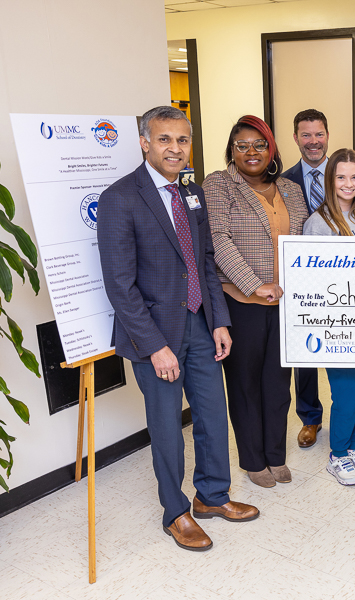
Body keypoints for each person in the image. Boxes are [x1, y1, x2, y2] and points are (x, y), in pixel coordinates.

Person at [97, 106, 259, 552]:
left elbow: (203, 261)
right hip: (155, 335)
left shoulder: (192, 194)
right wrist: (154, 347)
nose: (175, 148)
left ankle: (212, 497)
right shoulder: (119, 198)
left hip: (201, 325)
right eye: (165, 139)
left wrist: (220, 321)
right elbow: (120, 286)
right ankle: (177, 512)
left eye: (183, 140)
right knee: (167, 427)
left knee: (211, 415)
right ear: (145, 143)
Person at [204, 115, 308, 489]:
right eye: (242, 145)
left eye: (259, 144)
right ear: (231, 150)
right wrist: (255, 285)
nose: (251, 152)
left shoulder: (290, 189)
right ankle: (252, 459)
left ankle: (275, 455)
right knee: (245, 384)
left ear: (271, 149)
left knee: (278, 383)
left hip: (286, 304)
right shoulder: (218, 185)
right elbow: (218, 240)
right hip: (241, 303)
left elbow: (303, 242)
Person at [303, 148, 355, 486]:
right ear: (330, 180)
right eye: (341, 177)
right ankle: (337, 455)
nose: (348, 184)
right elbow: (310, 281)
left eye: (354, 177)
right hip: (339, 327)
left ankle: (351, 447)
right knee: (346, 393)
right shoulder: (318, 223)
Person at [282, 109, 330, 449]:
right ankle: (310, 418)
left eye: (318, 134)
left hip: (344, 279)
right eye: (306, 135)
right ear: (296, 137)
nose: (313, 141)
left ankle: (347, 411)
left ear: (328, 134)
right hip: (302, 282)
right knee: (306, 354)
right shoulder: (283, 182)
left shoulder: (347, 174)